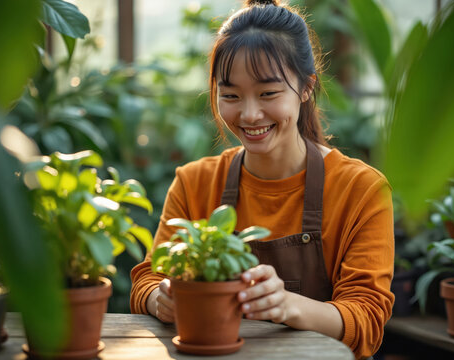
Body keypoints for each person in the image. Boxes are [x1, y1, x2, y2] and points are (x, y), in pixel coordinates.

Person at [130, 0, 394, 358]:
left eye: (268, 93)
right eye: (231, 96)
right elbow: (146, 279)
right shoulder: (194, 183)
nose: (250, 114)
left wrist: (287, 306)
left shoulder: (360, 190)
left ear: (305, 88)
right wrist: (160, 298)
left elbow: (367, 319)